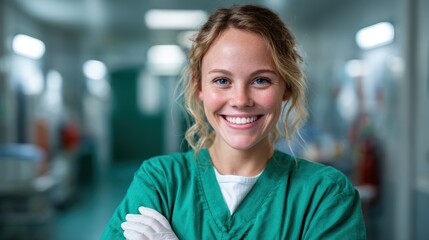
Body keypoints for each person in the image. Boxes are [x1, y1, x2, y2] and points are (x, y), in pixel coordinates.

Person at [101, 4, 366, 239]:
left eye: (261, 80)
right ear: (199, 88)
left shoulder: (325, 195)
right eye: (222, 81)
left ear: (286, 88)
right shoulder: (161, 183)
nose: (240, 99)